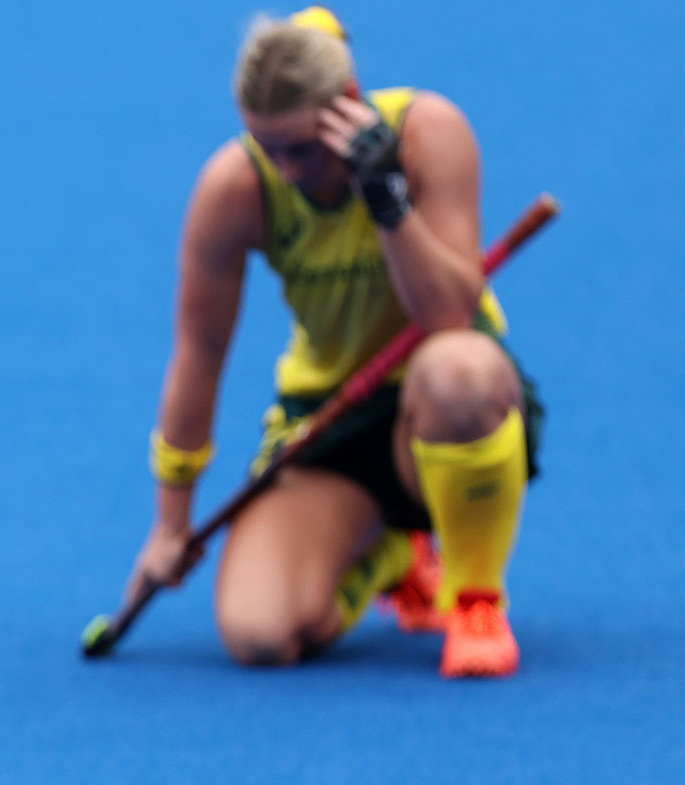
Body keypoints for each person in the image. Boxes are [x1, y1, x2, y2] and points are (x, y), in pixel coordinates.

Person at [124, 7, 542, 678]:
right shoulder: (235, 187)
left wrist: (387, 202)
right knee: (260, 634)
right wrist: (171, 522)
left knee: (459, 371)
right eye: (268, 145)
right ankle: (393, 556)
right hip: (327, 423)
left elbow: (446, 315)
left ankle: (473, 599)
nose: (286, 169)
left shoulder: (429, 133)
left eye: (302, 147)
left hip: (442, 401)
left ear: (348, 105)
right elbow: (199, 356)